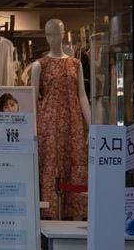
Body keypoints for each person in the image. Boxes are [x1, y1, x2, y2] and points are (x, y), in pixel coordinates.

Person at [33, 18, 91, 220]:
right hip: (49, 123)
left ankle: (75, 214)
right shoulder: (39, 65)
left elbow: (82, 95)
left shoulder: (75, 64)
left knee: (76, 163)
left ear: (63, 34)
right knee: (52, 164)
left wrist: (91, 126)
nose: (52, 38)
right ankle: (52, 213)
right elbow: (33, 99)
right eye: (49, 34)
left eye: (56, 33)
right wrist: (33, 129)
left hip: (73, 121)